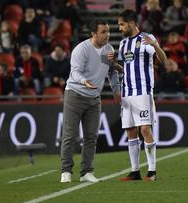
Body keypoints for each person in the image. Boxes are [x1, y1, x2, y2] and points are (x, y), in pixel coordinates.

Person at [109, 9, 167, 181]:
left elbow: (163, 59)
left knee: (145, 129)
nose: (120, 28)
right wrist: (114, 63)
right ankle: (135, 172)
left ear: (132, 23)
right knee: (131, 131)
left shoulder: (146, 38)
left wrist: (155, 45)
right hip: (127, 93)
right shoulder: (123, 43)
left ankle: (152, 171)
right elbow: (124, 68)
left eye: (121, 24)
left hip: (143, 91)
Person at [60, 19, 120, 183]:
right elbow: (75, 72)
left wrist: (116, 90)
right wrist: (84, 81)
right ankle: (66, 171)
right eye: (103, 32)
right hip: (75, 95)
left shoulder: (109, 49)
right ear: (94, 34)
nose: (107, 35)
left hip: (94, 99)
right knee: (70, 136)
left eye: (108, 31)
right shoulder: (82, 49)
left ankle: (86, 172)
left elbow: (112, 72)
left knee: (91, 137)